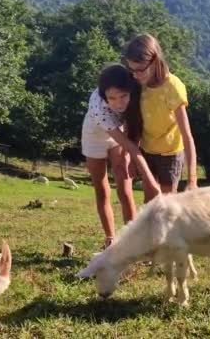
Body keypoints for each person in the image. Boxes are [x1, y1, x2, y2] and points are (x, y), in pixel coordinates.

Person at [81, 64, 160, 249]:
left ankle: (132, 240)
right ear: (104, 97)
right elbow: (130, 146)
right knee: (102, 189)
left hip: (120, 135)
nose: (119, 103)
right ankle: (110, 239)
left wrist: (131, 159)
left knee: (125, 187)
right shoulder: (99, 110)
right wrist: (150, 182)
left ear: (130, 90)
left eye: (123, 96)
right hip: (95, 136)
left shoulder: (138, 93)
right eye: (112, 98)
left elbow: (136, 130)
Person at [123, 33, 198, 202]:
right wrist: (132, 159)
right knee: (150, 203)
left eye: (140, 69)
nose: (135, 75)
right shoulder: (137, 84)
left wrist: (192, 179)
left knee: (166, 205)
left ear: (155, 61)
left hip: (170, 154)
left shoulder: (172, 87)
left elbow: (187, 136)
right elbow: (133, 123)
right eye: (131, 69)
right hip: (147, 151)